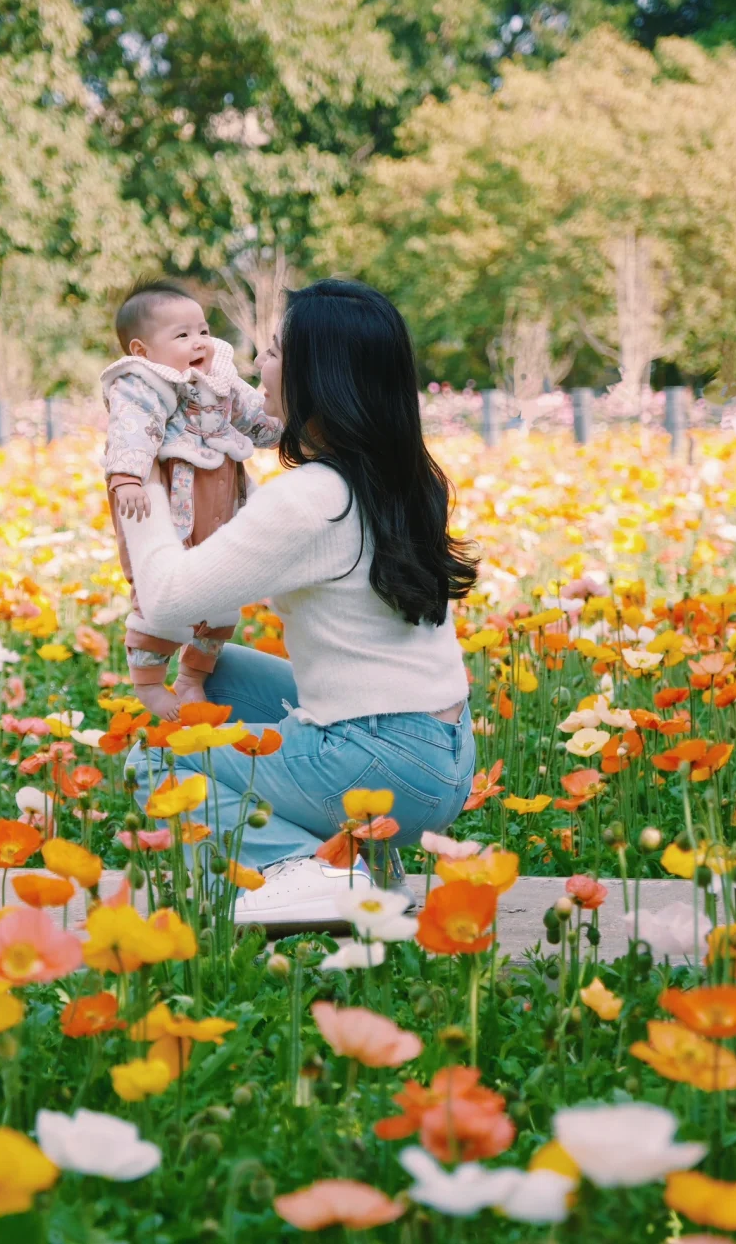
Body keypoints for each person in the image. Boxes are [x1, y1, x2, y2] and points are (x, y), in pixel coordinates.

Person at [121, 278, 477, 925]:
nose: (256, 364)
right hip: (443, 751)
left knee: (154, 754)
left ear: (321, 377)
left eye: (276, 352)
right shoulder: (403, 475)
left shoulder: (313, 497)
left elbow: (169, 599)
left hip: (384, 766)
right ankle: (370, 865)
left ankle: (304, 867)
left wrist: (142, 476)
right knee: (219, 675)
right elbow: (241, 552)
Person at [103, 279, 282, 712]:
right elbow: (131, 427)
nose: (199, 342)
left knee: (223, 593)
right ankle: (148, 682)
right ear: (142, 350)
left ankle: (192, 676)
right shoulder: (142, 383)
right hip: (177, 498)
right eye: (181, 335)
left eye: (202, 330)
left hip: (223, 494)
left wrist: (284, 429)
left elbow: (252, 415)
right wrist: (127, 476)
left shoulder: (219, 376)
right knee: (163, 594)